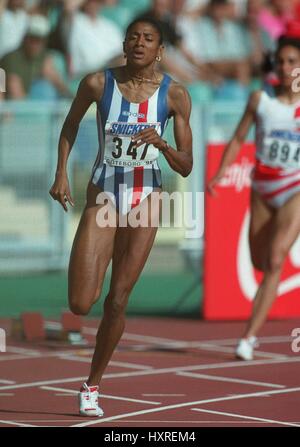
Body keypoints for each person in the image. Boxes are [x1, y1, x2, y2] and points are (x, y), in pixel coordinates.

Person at [49, 17, 193, 416]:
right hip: (103, 195)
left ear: (160, 49)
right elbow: (71, 123)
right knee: (80, 302)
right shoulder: (98, 84)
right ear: (124, 44)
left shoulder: (175, 95)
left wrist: (161, 144)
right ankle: (91, 371)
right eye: (133, 37)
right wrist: (61, 173)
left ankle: (92, 385)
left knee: (118, 299)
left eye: (148, 39)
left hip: (146, 199)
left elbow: (186, 165)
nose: (139, 44)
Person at [208, 34, 300, 361]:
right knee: (259, 262)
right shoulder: (260, 100)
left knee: (275, 260)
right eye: (282, 62)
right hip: (262, 189)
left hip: (295, 189)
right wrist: (220, 172)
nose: (286, 68)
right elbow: (236, 139)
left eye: (293, 62)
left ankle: (248, 337)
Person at [0, 14, 71, 99]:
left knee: (45, 89)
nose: (36, 44)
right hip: (10, 107)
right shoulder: (11, 59)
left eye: (40, 40)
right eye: (32, 38)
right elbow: (15, 94)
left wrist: (71, 98)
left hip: (28, 104)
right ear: (25, 37)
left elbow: (57, 82)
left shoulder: (43, 57)